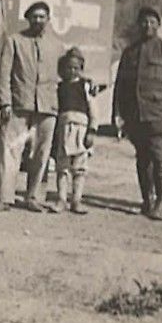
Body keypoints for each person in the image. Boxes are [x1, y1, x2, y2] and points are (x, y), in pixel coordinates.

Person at [0, 1, 62, 213]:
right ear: (28, 18)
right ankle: (4, 198)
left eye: (42, 17)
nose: (38, 20)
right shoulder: (14, 41)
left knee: (41, 154)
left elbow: (65, 76)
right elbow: (4, 75)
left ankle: (34, 197)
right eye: (34, 16)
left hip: (47, 107)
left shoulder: (57, 46)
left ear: (48, 20)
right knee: (9, 150)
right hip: (19, 104)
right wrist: (5, 103)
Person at [113, 7, 162, 220]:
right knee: (142, 159)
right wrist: (117, 114)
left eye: (152, 22)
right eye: (144, 22)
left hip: (158, 115)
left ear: (158, 25)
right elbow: (120, 86)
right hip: (135, 115)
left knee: (158, 157)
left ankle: (160, 202)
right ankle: (147, 200)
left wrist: (160, 96)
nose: (148, 26)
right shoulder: (129, 52)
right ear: (139, 25)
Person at [50, 47, 98, 214]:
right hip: (64, 129)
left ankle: (76, 200)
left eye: (76, 68)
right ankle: (61, 199)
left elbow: (93, 110)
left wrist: (92, 130)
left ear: (81, 69)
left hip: (81, 130)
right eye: (68, 68)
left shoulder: (85, 87)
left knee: (80, 167)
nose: (72, 71)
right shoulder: (60, 87)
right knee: (62, 166)